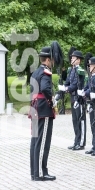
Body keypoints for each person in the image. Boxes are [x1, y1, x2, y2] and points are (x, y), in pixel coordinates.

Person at [28, 46, 57, 181]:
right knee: (43, 141)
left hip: (35, 108)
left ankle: (34, 172)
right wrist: (51, 101)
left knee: (35, 140)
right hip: (43, 109)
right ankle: (40, 172)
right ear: (47, 59)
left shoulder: (35, 72)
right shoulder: (46, 72)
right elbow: (45, 89)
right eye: (52, 60)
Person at [61, 50, 87, 151]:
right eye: (71, 57)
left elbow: (76, 84)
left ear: (78, 60)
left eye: (73, 57)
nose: (71, 58)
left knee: (80, 120)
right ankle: (76, 141)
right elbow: (68, 81)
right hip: (73, 98)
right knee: (75, 120)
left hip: (79, 98)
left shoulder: (79, 71)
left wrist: (67, 88)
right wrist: (63, 87)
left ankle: (81, 143)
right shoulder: (71, 70)